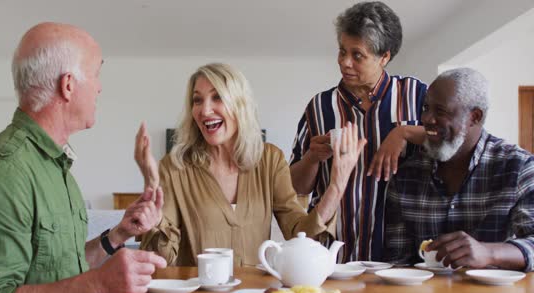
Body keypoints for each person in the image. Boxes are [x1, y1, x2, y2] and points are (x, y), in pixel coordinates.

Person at [0, 23, 167, 293]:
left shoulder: (51, 165)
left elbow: (58, 272)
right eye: (95, 75)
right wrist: (99, 283)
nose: (99, 88)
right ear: (68, 85)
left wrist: (118, 235)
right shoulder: (5, 175)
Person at [137, 63, 366, 266]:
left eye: (217, 97)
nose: (205, 110)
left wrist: (337, 186)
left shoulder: (269, 160)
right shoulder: (174, 167)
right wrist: (151, 186)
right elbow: (160, 258)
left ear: (240, 105)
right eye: (197, 100)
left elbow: (300, 234)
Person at [289, 1, 428, 262]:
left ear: (384, 56)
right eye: (342, 51)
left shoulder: (416, 95)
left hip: (401, 258)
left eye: (357, 55)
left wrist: (404, 133)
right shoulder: (319, 107)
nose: (345, 62)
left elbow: (451, 140)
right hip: (332, 257)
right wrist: (312, 158)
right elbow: (294, 186)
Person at [384, 68, 534, 272]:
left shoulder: (518, 168)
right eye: (426, 108)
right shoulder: (406, 177)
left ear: (474, 117)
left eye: (441, 111)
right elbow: (397, 262)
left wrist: (488, 253)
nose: (427, 118)